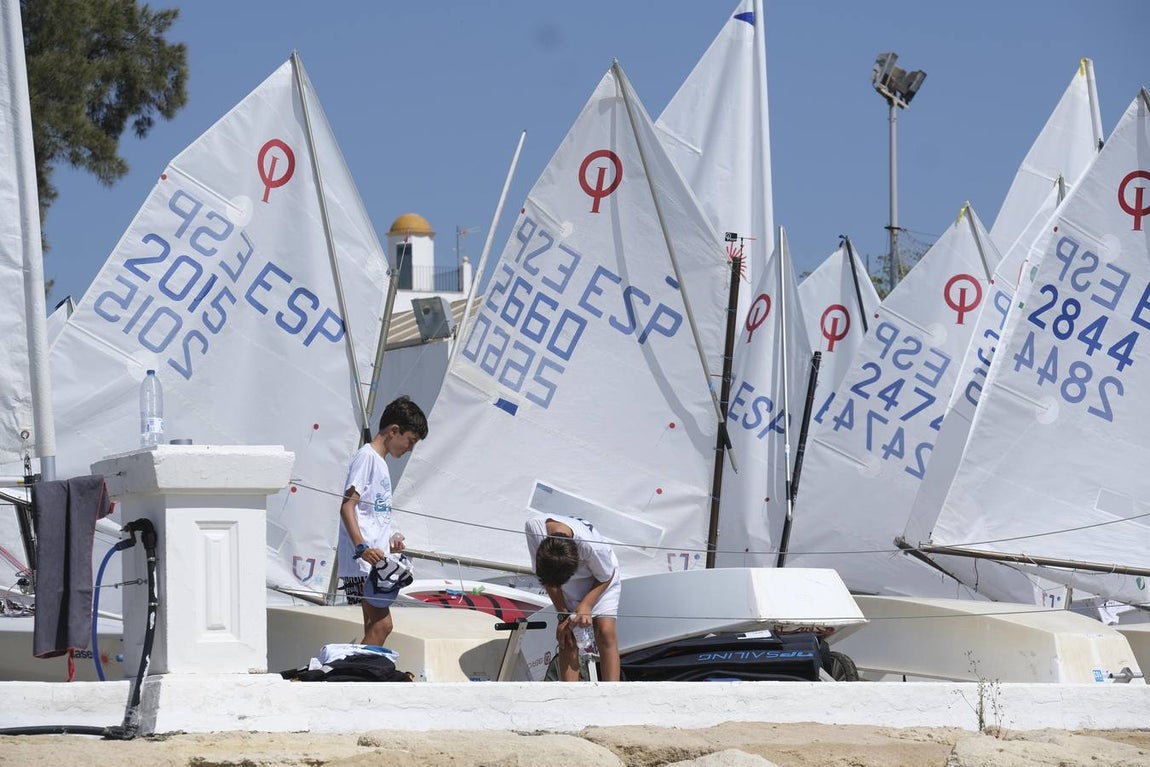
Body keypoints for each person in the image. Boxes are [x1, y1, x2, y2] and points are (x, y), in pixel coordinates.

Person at [337, 395, 428, 647]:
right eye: (410, 441)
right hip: (362, 563)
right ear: (394, 431)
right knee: (382, 625)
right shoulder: (367, 457)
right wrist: (361, 548)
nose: (410, 448)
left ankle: (358, 668)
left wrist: (391, 538)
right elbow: (347, 506)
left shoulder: (381, 464)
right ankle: (354, 669)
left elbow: (374, 514)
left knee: (374, 626)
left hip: (375, 562)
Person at [525, 513, 621, 681]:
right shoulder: (534, 528)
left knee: (605, 632)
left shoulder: (593, 548)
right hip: (561, 577)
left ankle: (612, 691)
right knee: (567, 636)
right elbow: (548, 579)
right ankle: (569, 692)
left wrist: (587, 604)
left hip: (601, 580)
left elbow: (606, 575)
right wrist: (563, 614)